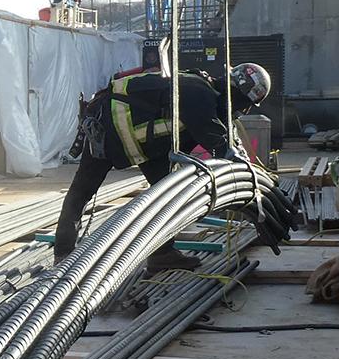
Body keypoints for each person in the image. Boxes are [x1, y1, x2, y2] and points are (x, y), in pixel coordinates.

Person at [52, 59, 272, 262]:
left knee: (166, 197)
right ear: (238, 94)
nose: (244, 111)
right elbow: (215, 140)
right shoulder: (200, 94)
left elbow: (221, 134)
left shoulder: (207, 93)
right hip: (106, 131)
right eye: (245, 105)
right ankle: (63, 254)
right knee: (81, 193)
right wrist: (239, 165)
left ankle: (162, 254)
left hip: (145, 145)